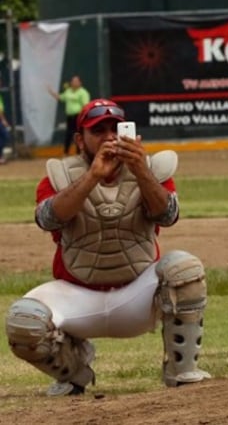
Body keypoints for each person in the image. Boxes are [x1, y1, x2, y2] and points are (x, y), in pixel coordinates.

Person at [4, 98, 211, 396]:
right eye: (98, 130)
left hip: (136, 296)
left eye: (116, 128)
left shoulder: (153, 170)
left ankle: (182, 371)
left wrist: (141, 171)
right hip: (78, 297)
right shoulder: (58, 177)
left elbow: (168, 215)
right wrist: (93, 177)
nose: (109, 136)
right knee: (24, 320)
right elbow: (48, 220)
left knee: (185, 269)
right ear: (80, 140)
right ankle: (73, 372)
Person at [47, 75, 90, 155]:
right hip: (70, 117)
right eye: (73, 81)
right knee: (69, 134)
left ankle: (79, 153)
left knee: (78, 134)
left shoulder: (83, 93)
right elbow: (60, 97)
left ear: (80, 83)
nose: (74, 83)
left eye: (76, 81)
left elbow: (86, 106)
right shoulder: (68, 91)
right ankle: (66, 152)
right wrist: (51, 92)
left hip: (78, 117)